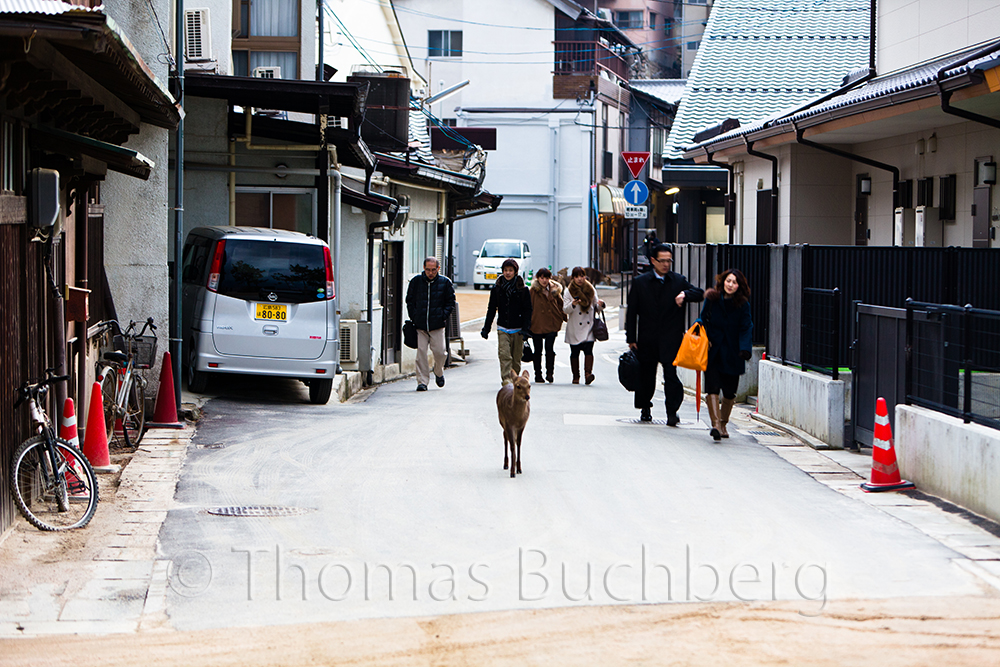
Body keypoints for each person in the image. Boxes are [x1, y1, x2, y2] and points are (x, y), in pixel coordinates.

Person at [625, 243, 704, 425]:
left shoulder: (677, 281)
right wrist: (631, 338)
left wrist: (684, 294)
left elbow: (699, 293)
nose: (666, 265)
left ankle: (672, 411)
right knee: (647, 375)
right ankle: (645, 407)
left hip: (671, 338)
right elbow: (632, 312)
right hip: (647, 338)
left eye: (669, 261)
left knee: (671, 376)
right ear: (653, 261)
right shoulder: (640, 282)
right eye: (662, 261)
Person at [700, 269, 753, 441]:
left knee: (729, 392)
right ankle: (715, 425)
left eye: (734, 282)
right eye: (728, 281)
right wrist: (699, 333)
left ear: (739, 286)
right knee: (712, 387)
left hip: (733, 353)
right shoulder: (712, 299)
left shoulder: (743, 304)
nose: (730, 285)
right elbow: (703, 319)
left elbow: (746, 327)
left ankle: (723, 423)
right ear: (723, 282)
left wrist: (745, 349)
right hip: (713, 350)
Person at [405, 257, 455, 392]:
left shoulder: (445, 283)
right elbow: (409, 300)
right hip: (420, 325)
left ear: (438, 269)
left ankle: (438, 371)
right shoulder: (416, 282)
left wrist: (442, 316)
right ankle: (422, 382)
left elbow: (450, 302)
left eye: (433, 270)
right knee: (421, 353)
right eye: (428, 269)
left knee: (440, 352)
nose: (430, 272)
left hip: (437, 325)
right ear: (423, 268)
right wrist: (414, 316)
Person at [482, 259, 532, 386]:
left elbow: (528, 310)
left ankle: (515, 380)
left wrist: (526, 329)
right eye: (505, 270)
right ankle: (506, 381)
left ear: (515, 272)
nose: (508, 273)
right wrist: (486, 328)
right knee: (504, 356)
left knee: (516, 358)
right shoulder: (497, 288)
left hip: (518, 328)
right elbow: (492, 308)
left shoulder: (523, 289)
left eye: (510, 270)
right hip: (503, 327)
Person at [563, 266, 605, 385]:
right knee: (575, 352)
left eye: (582, 276)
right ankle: (576, 376)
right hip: (575, 327)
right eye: (577, 277)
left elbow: (596, 306)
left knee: (589, 350)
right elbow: (565, 310)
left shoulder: (590, 289)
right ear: (573, 278)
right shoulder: (568, 291)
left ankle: (588, 374)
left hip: (589, 325)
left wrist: (601, 305)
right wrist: (573, 304)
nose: (580, 279)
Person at [528, 267, 565, 383]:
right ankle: (538, 374)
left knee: (549, 349)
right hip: (536, 324)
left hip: (551, 323)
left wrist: (562, 317)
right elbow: (528, 307)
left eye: (546, 278)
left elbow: (561, 305)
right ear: (538, 278)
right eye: (541, 278)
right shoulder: (532, 291)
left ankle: (550, 373)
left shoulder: (554, 290)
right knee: (537, 350)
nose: (544, 280)